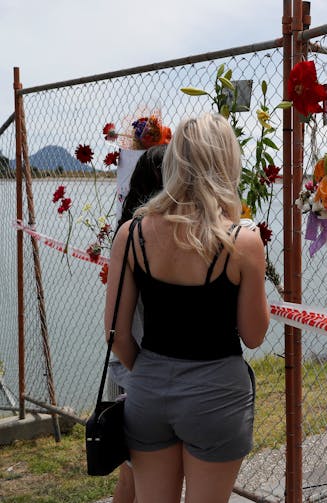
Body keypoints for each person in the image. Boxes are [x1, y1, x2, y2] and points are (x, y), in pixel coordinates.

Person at [105, 113, 269, 503]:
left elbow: (116, 334)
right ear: (228, 163)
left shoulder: (131, 234)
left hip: (147, 392)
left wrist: (149, 371)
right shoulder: (242, 242)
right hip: (217, 395)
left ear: (174, 160)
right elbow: (255, 334)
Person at [107, 144, 166, 503]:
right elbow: (119, 332)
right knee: (141, 482)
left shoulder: (127, 235)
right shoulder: (142, 237)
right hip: (139, 372)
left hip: (131, 371)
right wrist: (146, 372)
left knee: (131, 479)